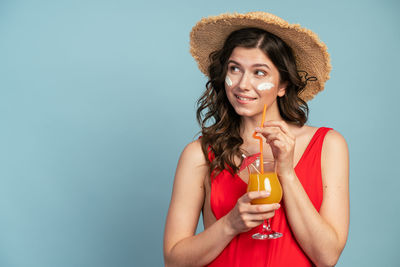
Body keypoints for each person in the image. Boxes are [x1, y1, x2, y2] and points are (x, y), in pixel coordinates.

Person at [163, 12, 349, 267]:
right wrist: (230, 224)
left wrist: (286, 172)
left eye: (259, 72)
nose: (242, 84)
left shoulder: (328, 145)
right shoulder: (199, 154)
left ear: (283, 85)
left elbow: (326, 257)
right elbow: (174, 261)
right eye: (234, 69)